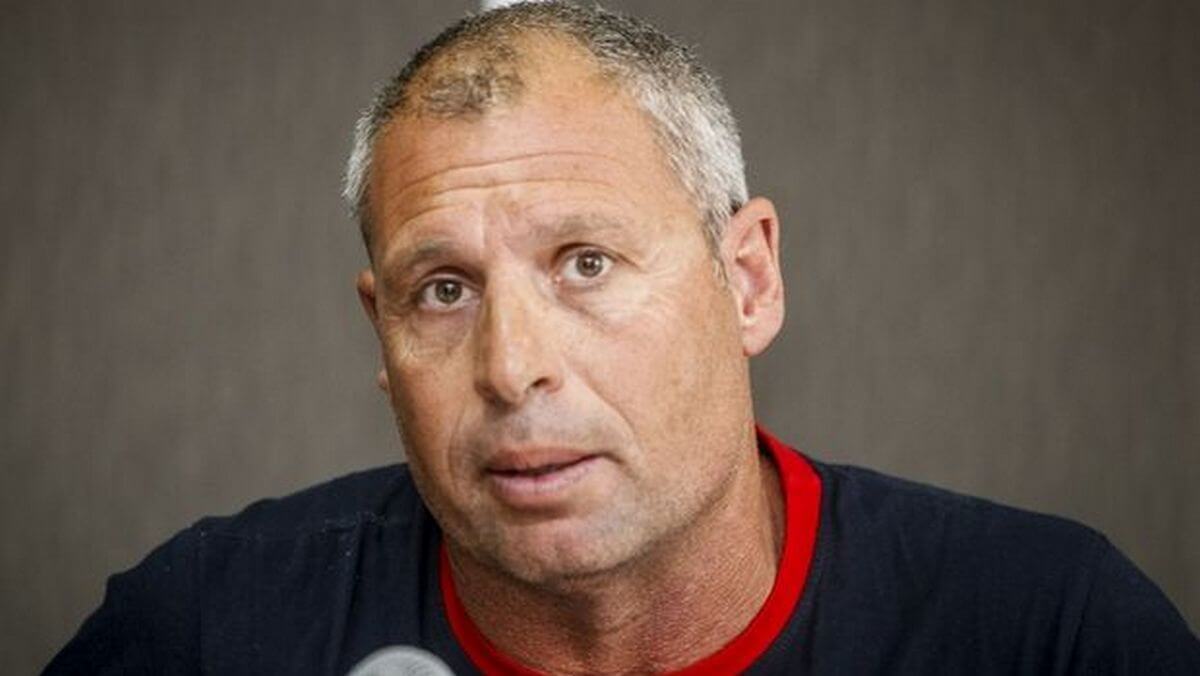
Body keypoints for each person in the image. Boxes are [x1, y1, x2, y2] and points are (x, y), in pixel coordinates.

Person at [47, 2, 1198, 674]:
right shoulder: (206, 631)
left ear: (748, 281)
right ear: (383, 336)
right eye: (442, 290)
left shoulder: (1047, 630)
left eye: (586, 263)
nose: (512, 367)